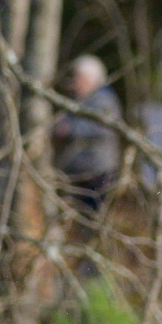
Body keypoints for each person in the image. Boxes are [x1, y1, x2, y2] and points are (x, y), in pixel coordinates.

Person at [53, 54, 121, 222]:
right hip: (78, 170)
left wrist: (70, 129)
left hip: (97, 170)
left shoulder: (104, 99)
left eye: (79, 78)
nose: (75, 82)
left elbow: (102, 128)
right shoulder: (79, 99)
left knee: (93, 215)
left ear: (91, 79)